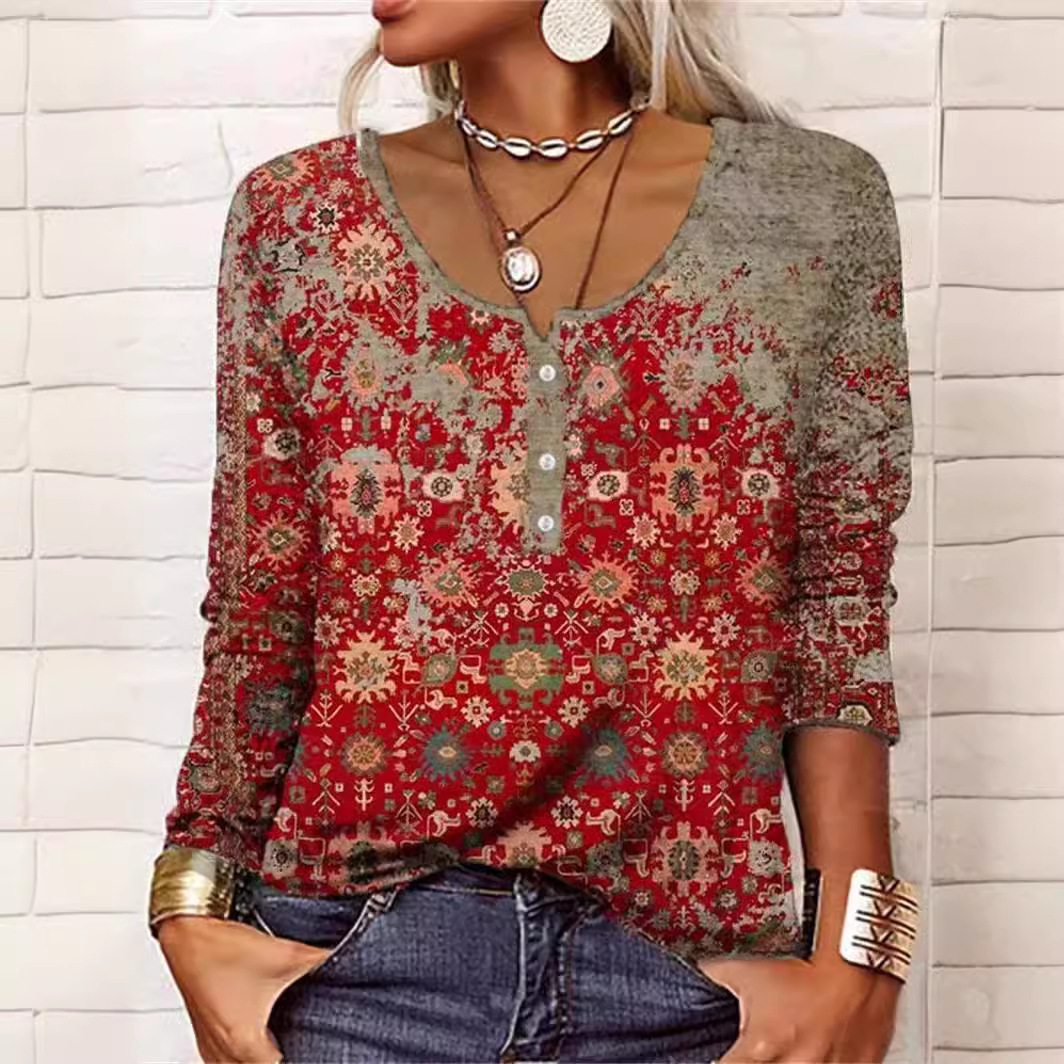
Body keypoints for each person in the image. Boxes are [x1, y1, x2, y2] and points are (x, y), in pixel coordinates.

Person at [147, 1, 922, 1062]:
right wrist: (189, 909)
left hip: (689, 984)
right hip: (351, 974)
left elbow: (835, 607)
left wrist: (861, 956)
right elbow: (259, 601)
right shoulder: (300, 220)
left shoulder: (809, 208)